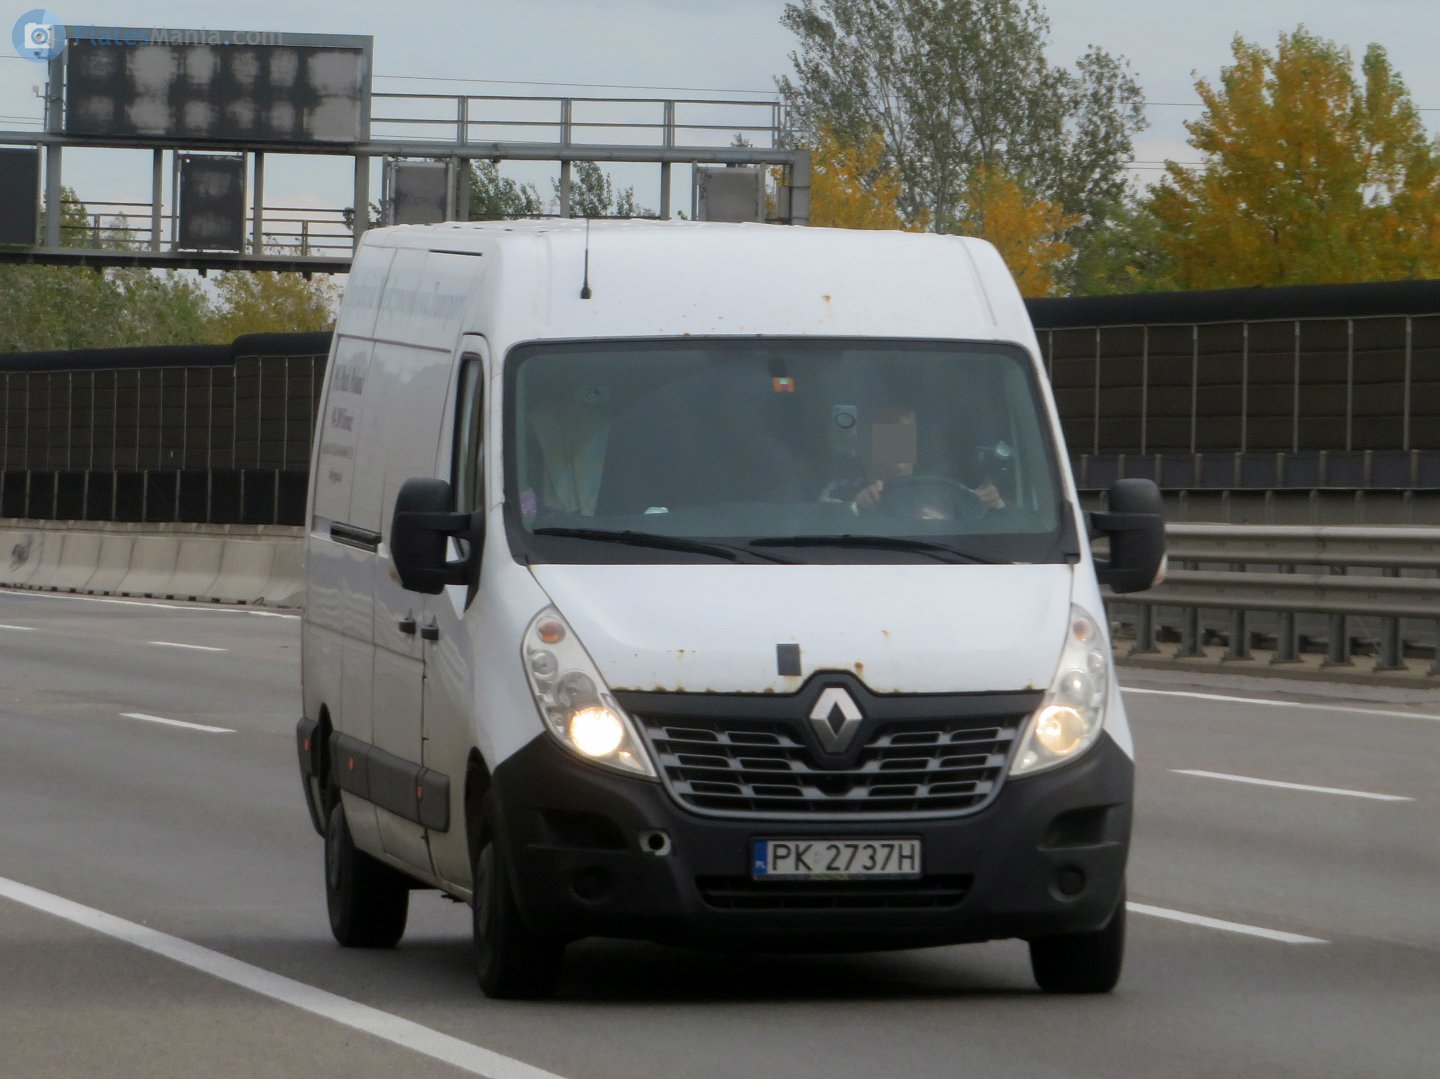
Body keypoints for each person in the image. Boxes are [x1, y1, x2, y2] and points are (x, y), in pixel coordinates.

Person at [822, 406, 1004, 519]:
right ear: (863, 443)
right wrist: (857, 506)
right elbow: (825, 525)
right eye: (887, 431)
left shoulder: (951, 491)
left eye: (904, 431)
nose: (896, 439)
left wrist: (992, 504)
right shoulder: (840, 491)